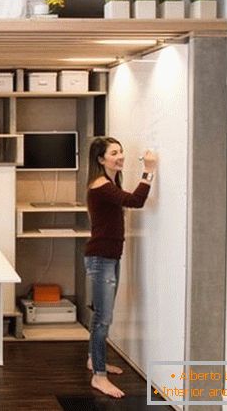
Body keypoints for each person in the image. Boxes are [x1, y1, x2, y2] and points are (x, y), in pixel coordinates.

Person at [84, 137, 157, 398]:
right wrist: (149, 170)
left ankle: (95, 360)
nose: (121, 156)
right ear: (101, 159)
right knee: (104, 318)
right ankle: (99, 377)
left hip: (108, 256)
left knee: (100, 315)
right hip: (101, 258)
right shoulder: (101, 185)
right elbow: (136, 201)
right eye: (114, 153)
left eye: (121, 151)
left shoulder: (111, 182)